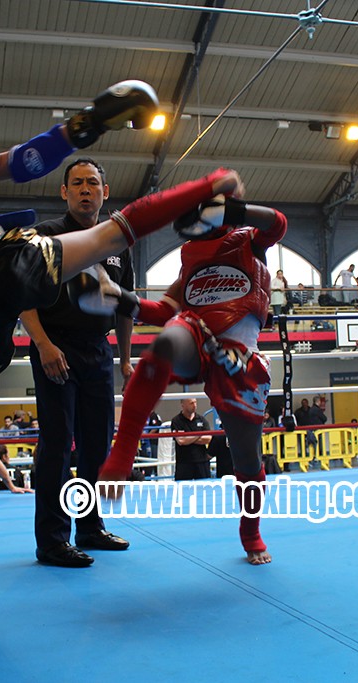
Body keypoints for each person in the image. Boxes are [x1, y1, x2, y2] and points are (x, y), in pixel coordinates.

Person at [0, 85, 244, 620]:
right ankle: (211, 184)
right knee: (111, 237)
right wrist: (88, 123)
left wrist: (120, 357)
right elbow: (26, 161)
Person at [93, 190, 288, 566]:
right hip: (197, 338)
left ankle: (250, 529)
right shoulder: (190, 257)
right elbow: (164, 310)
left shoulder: (250, 241)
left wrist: (236, 210)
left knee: (247, 460)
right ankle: (123, 452)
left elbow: (278, 223)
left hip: (237, 358)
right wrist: (120, 298)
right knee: (166, 340)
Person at [20, 158, 134, 568]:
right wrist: (44, 344)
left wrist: (124, 359)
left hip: (98, 350)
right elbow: (25, 296)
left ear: (105, 190)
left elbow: (125, 307)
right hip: (56, 348)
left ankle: (89, 527)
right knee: (56, 444)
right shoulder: (46, 237)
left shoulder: (119, 241)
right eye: (77, 183)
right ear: (64, 192)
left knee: (96, 444)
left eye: (93, 183)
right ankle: (51, 540)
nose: (86, 189)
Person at [169, 398, 212, 480]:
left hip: (201, 462)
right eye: (191, 403)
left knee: (204, 489)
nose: (195, 405)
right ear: (183, 405)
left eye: (195, 402)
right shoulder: (176, 421)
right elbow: (181, 441)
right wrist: (199, 434)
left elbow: (208, 439)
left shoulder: (201, 419)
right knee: (182, 490)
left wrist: (189, 438)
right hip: (184, 463)